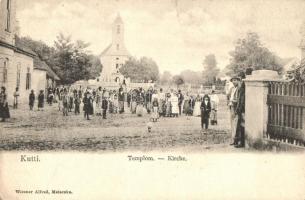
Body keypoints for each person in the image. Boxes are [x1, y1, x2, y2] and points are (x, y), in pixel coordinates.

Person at [229, 76, 241, 146]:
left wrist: (233, 101)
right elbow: (229, 96)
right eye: (233, 80)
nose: (234, 82)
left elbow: (238, 99)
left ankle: (235, 140)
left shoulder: (239, 89)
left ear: (238, 81)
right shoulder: (232, 89)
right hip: (231, 106)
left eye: (235, 80)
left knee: (235, 124)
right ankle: (233, 139)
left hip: (235, 107)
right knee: (232, 124)